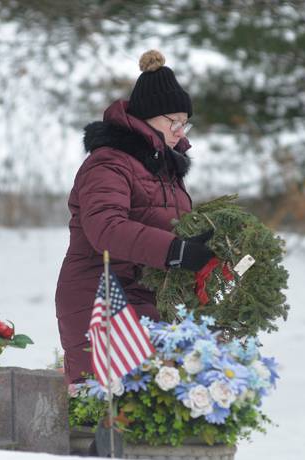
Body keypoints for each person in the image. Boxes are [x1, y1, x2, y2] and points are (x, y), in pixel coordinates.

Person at [55, 50, 214, 383]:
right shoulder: (108, 163)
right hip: (101, 296)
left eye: (184, 122)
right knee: (110, 416)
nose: (180, 131)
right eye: (172, 121)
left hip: (147, 297)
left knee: (158, 410)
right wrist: (175, 251)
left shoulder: (164, 169)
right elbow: (106, 228)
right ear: (146, 118)